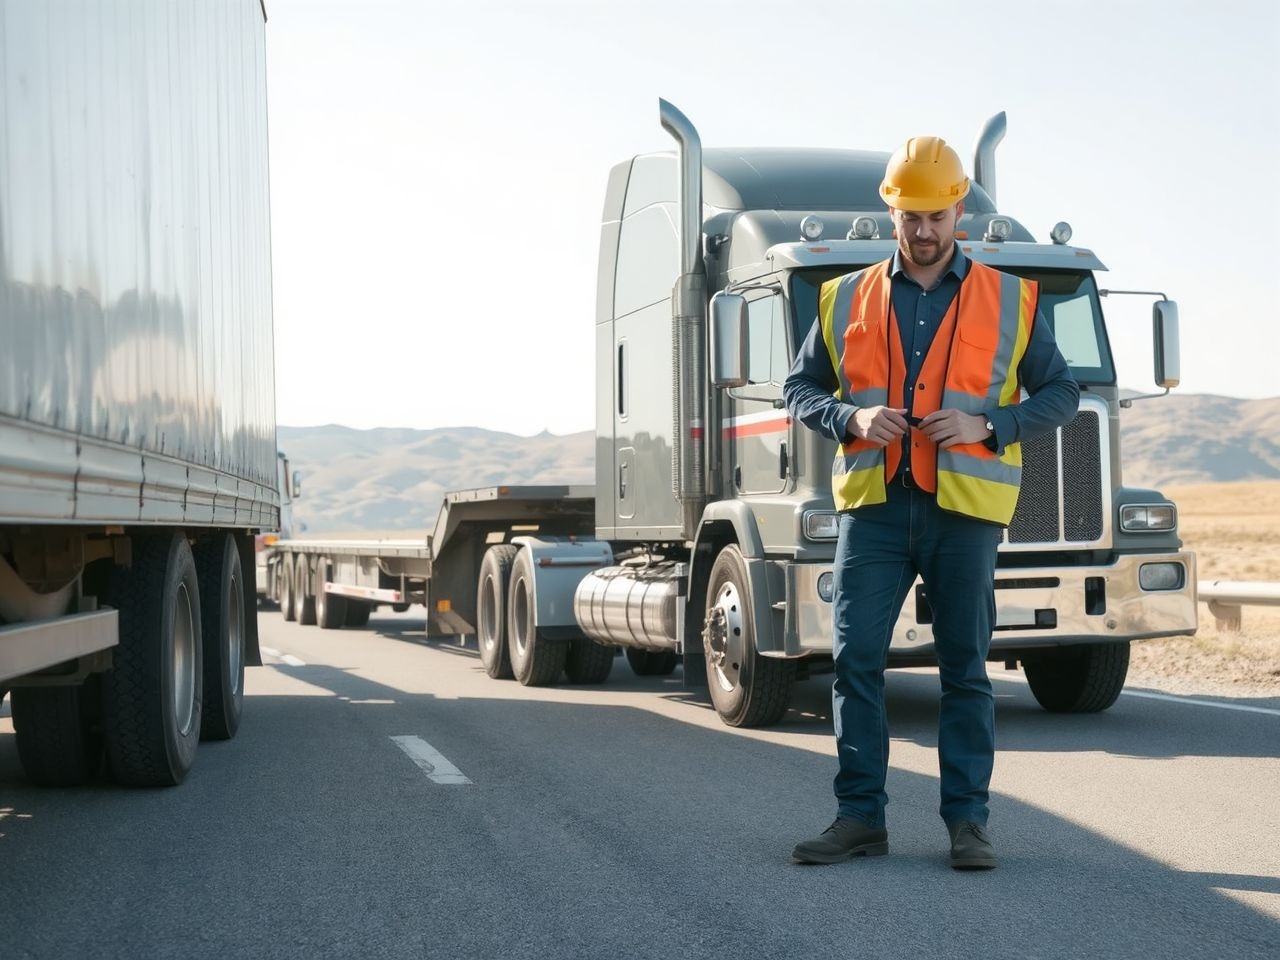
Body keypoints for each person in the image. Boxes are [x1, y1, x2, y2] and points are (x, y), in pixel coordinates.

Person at [783, 135, 1079, 870]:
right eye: (909, 215)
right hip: (876, 509)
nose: (922, 230)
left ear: (958, 215)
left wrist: (992, 423)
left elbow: (1062, 392)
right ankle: (860, 819)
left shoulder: (1009, 298)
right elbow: (799, 390)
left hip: (963, 513)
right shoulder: (843, 295)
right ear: (892, 213)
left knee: (965, 670)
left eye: (936, 215)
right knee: (854, 661)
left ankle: (968, 824)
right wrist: (849, 418)